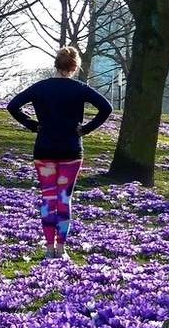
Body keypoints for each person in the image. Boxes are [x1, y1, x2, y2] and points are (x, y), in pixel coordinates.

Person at [6, 46, 113, 259]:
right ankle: (61, 248)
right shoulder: (80, 88)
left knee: (48, 198)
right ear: (75, 67)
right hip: (71, 150)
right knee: (64, 199)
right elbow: (106, 107)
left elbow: (13, 105)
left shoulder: (41, 87)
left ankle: (48, 248)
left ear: (56, 64)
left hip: (44, 148)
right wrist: (86, 129)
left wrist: (32, 124)